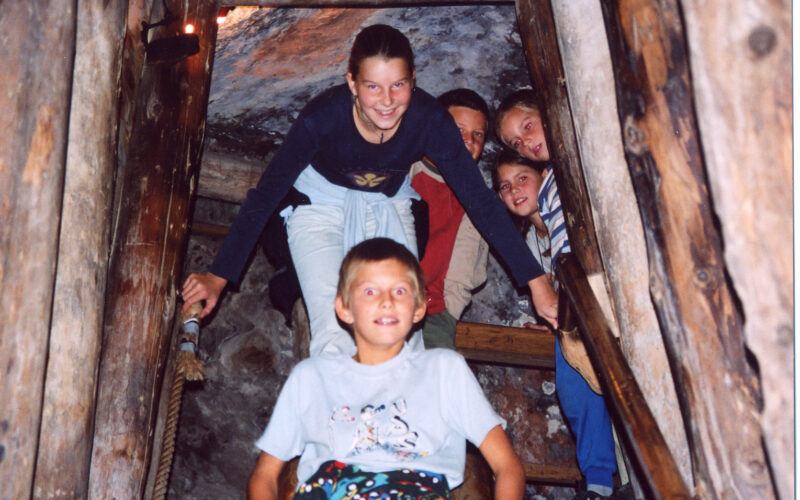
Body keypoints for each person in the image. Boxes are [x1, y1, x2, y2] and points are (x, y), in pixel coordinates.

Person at [181, 25, 558, 358]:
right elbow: (265, 196)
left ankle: (397, 435)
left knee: (404, 335)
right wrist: (219, 275)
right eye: (373, 87)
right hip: (319, 205)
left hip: (387, 205)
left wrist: (536, 281)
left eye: (399, 85)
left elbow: (479, 200)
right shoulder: (321, 119)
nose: (388, 100)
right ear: (352, 84)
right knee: (334, 335)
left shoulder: (429, 120)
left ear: (413, 80)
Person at [247, 238, 525, 500]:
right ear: (344, 308)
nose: (386, 301)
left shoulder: (444, 370)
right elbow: (264, 476)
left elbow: (507, 466)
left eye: (400, 290)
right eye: (370, 291)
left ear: (418, 308)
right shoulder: (311, 377)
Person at [494, 90, 618, 500]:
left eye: (527, 128)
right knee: (578, 386)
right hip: (576, 308)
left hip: (596, 295)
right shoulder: (532, 237)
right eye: (516, 142)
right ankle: (600, 480)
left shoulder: (561, 182)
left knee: (597, 385)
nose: (526, 142)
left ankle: (603, 478)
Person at [409, 88, 490, 349]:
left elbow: (468, 262)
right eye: (459, 130)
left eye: (478, 135)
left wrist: (450, 309)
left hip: (435, 311)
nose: (469, 141)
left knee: (436, 381)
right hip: (385, 296)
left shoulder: (474, 196)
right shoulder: (408, 172)